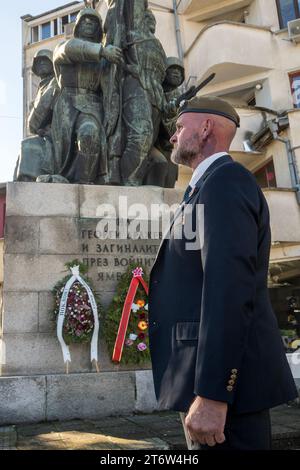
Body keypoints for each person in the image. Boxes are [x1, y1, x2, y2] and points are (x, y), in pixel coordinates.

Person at [148, 96, 298, 450]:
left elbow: (228, 291)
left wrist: (214, 394)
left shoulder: (224, 181)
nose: (172, 136)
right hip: (208, 387)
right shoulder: (205, 186)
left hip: (225, 396)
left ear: (205, 129)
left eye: (180, 127)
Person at [50, 7, 123, 184]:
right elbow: (69, 49)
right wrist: (102, 51)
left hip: (92, 105)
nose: (89, 23)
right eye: (85, 20)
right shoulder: (64, 46)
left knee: (89, 133)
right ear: (77, 26)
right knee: (63, 152)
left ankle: (85, 184)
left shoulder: (106, 58)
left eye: (93, 21)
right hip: (67, 103)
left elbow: (110, 90)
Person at [14, 49, 59, 182]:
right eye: (38, 62)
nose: (41, 64)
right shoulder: (42, 87)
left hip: (57, 135)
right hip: (46, 134)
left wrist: (36, 123)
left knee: (28, 146)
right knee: (24, 149)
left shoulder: (55, 83)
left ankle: (28, 183)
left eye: (45, 60)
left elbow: (35, 121)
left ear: (53, 63)